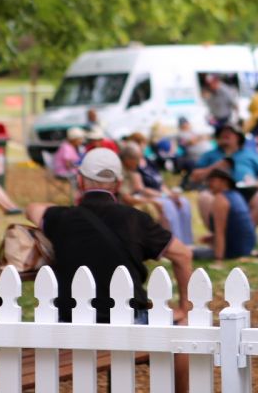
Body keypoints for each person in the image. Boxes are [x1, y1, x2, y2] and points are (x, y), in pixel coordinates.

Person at [26, 148, 193, 390]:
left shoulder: (60, 218)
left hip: (71, 325)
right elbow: (183, 254)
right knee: (185, 334)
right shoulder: (136, 220)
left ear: (80, 181)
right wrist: (184, 308)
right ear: (119, 184)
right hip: (129, 323)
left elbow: (32, 209)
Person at [193, 124, 258, 226]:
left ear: (238, 137)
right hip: (217, 192)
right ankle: (216, 234)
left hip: (247, 191)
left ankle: (245, 233)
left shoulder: (249, 154)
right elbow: (195, 177)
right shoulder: (210, 154)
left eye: (229, 134)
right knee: (204, 197)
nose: (225, 136)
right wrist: (215, 167)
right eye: (222, 134)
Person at [118, 142, 194, 243]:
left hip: (151, 196)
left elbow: (161, 184)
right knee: (165, 205)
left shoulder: (138, 167)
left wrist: (170, 195)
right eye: (137, 159)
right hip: (135, 201)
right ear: (127, 159)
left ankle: (186, 242)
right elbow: (131, 195)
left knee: (183, 201)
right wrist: (155, 199)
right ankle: (171, 243)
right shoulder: (123, 172)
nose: (138, 162)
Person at [194, 165, 256, 261]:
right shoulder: (236, 195)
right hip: (246, 249)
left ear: (224, 181)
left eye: (212, 180)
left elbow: (220, 232)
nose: (208, 183)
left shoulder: (220, 199)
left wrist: (218, 259)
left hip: (232, 252)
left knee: (187, 251)